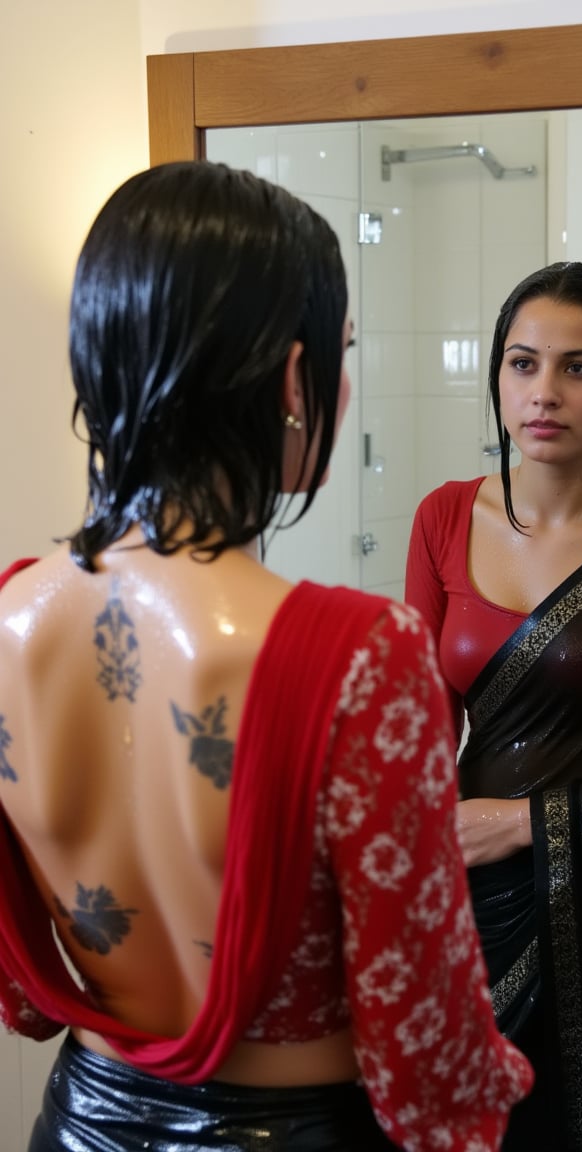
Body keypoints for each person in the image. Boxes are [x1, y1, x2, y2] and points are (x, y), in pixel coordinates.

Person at [0, 161, 534, 1151]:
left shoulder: (8, 620)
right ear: (294, 378)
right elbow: (429, 1065)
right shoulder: (362, 657)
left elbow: (26, 996)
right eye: (342, 351)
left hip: (79, 1121)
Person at [405, 261, 582, 1152]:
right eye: (522, 364)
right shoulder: (442, 519)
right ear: (496, 375)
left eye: (578, 367)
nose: (544, 393)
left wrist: (524, 823)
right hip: (467, 900)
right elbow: (414, 737)